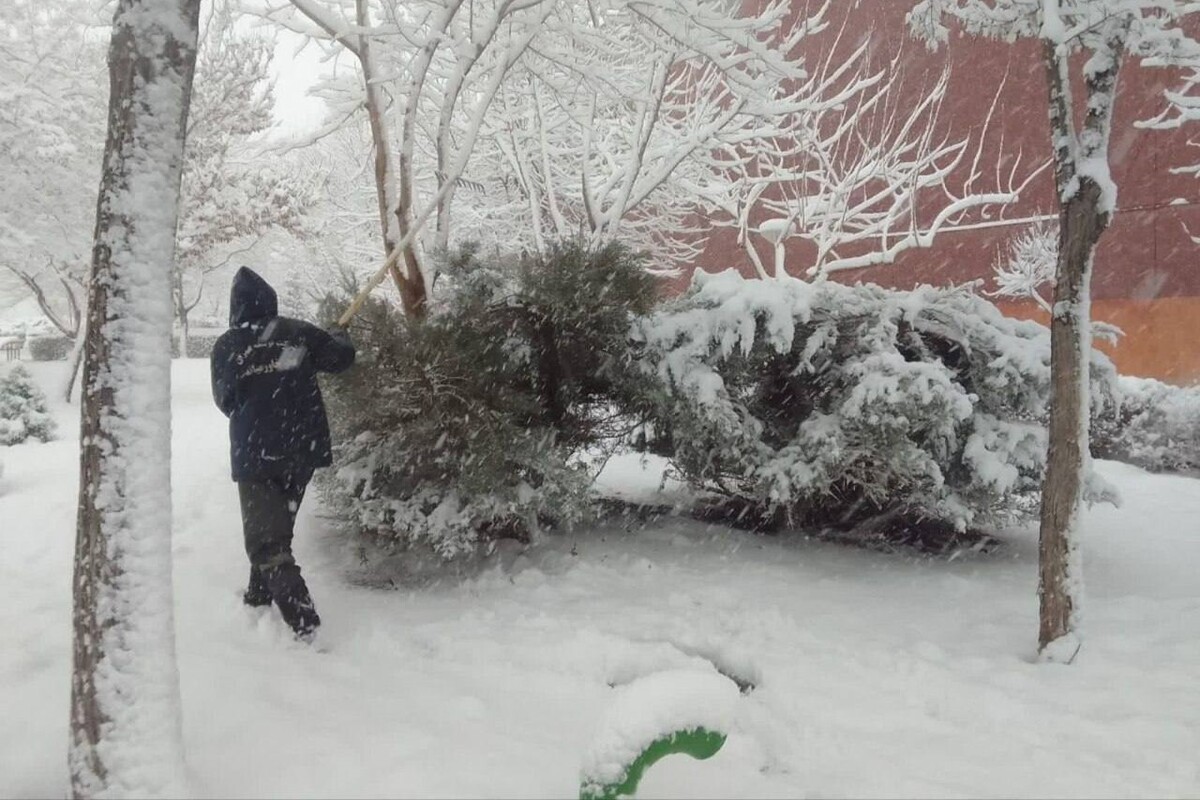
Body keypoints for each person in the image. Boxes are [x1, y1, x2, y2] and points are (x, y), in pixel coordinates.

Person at [211, 266, 355, 641]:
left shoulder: (227, 345)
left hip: (255, 451)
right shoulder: (298, 332)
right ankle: (259, 596)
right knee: (278, 528)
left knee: (266, 541)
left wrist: (255, 408)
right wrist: (337, 336)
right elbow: (340, 359)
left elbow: (224, 399)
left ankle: (305, 624)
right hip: (301, 448)